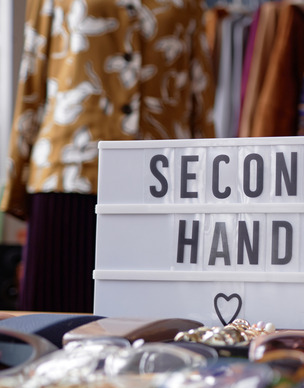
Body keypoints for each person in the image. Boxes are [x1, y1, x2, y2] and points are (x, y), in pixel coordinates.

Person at [2, 0, 216, 312]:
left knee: (153, 328)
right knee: (52, 328)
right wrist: (15, 178)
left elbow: (201, 91)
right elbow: (33, 76)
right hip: (68, 175)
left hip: (161, 182)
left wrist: (210, 186)